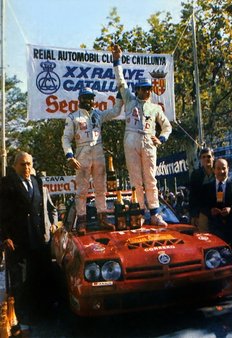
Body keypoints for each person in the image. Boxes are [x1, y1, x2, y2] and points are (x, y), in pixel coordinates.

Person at [112, 44, 172, 226]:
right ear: (136, 89)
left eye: (148, 89)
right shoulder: (129, 100)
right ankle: (140, 213)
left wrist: (160, 138)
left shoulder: (155, 107)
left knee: (150, 177)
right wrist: (117, 60)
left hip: (148, 140)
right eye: (143, 89)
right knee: (136, 178)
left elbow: (167, 126)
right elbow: (121, 81)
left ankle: (155, 212)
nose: (146, 92)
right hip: (131, 138)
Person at [0, 152, 56, 324]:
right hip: (18, 241)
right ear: (15, 166)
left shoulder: (37, 182)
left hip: (39, 239)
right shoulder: (6, 184)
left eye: (29, 164)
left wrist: (52, 224)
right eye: (23, 164)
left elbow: (47, 207)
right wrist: (5, 237)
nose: (27, 168)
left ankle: (42, 313)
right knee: (20, 281)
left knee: (39, 276)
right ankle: (21, 317)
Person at [62, 87, 122, 234]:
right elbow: (65, 138)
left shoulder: (98, 114)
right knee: (82, 190)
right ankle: (82, 221)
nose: (88, 100)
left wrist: (120, 94)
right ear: (80, 99)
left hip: (98, 151)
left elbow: (115, 112)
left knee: (101, 188)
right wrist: (69, 155)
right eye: (85, 97)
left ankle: (103, 218)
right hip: (82, 153)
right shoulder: (73, 117)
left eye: (91, 98)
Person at [201, 158, 232, 302]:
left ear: (228, 169)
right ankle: (217, 291)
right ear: (214, 170)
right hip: (216, 230)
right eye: (218, 168)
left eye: (224, 168)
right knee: (215, 260)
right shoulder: (208, 187)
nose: (221, 171)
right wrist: (211, 211)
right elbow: (202, 205)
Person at [188, 147, 215, 231]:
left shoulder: (218, 171)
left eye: (209, 156)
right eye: (203, 157)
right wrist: (194, 215)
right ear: (200, 160)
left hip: (218, 212)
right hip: (202, 214)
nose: (206, 159)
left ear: (213, 158)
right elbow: (192, 196)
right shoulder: (196, 175)